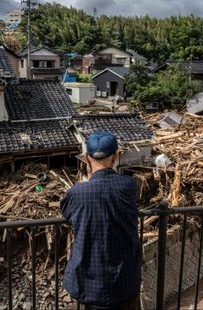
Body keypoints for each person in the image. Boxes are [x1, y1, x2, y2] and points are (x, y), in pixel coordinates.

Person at [60, 131, 141, 310]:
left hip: (88, 286)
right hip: (124, 283)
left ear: (86, 158)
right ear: (116, 157)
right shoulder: (128, 185)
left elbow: (66, 212)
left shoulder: (76, 193)